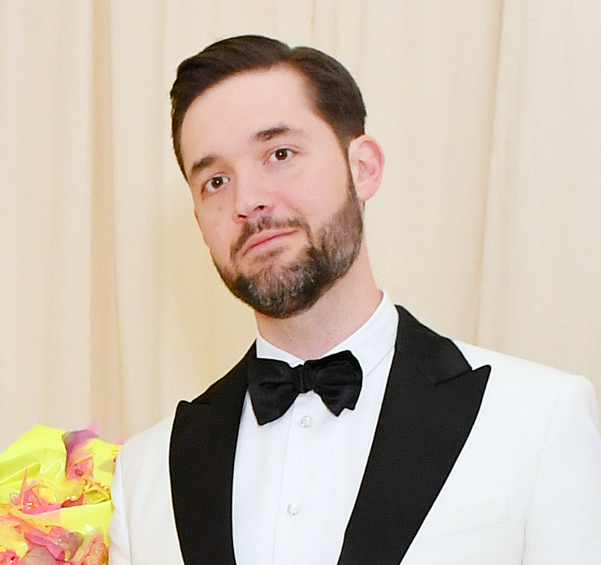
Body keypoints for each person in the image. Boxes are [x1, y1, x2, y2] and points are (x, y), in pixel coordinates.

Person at [108, 35, 601, 565]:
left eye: (280, 154)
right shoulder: (146, 470)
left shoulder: (540, 419)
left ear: (363, 167)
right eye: (215, 180)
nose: (247, 200)